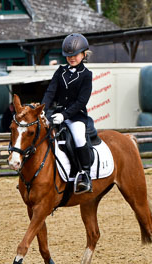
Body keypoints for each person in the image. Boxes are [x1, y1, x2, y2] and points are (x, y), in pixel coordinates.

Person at [41, 33, 94, 193]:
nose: (72, 58)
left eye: (75, 55)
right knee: (39, 135)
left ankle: (85, 175)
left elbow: (81, 102)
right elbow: (50, 92)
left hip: (76, 116)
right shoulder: (60, 71)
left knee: (78, 137)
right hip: (57, 114)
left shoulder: (86, 75)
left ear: (84, 54)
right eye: (68, 55)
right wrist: (42, 111)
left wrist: (65, 115)